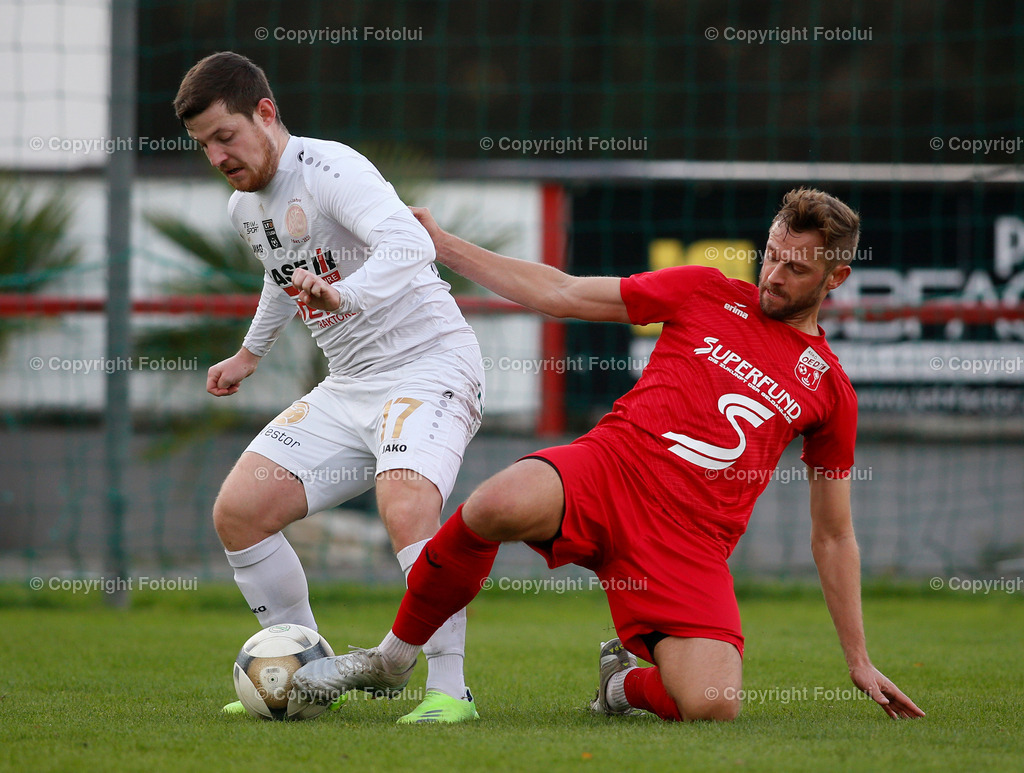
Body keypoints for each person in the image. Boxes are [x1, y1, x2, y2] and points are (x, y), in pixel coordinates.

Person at [292, 188, 926, 722]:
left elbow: (834, 534)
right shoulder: (706, 291)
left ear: (836, 278)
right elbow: (563, 292)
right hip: (611, 470)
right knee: (492, 506)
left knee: (713, 704)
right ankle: (392, 658)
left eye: (797, 269)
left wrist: (859, 660)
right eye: (773, 256)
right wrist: (444, 245)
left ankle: (619, 687)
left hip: (691, 541)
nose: (775, 276)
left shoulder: (830, 389)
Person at [174, 51, 485, 724]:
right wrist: (249, 355)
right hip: (349, 388)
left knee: (405, 501)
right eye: (204, 145)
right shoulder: (243, 207)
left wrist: (345, 296)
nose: (218, 155)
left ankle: (449, 691)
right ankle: (304, 673)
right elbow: (280, 275)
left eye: (225, 135)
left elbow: (411, 244)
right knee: (240, 511)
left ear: (265, 112)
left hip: (430, 365)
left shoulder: (332, 169)